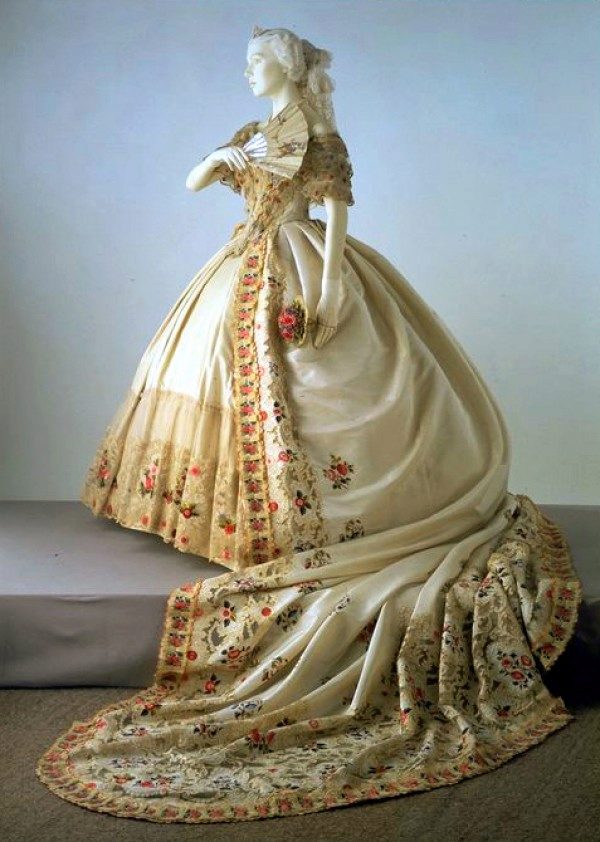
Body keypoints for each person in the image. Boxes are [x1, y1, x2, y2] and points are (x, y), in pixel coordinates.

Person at [35, 25, 582, 824]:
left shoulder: (319, 138)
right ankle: (223, 522)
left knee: (322, 393)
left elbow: (334, 221)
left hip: (298, 264)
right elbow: (194, 182)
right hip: (241, 265)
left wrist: (326, 292)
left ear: (287, 68)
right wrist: (221, 157)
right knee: (193, 373)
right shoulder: (253, 133)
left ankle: (322, 525)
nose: (247, 73)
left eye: (257, 62)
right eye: (246, 63)